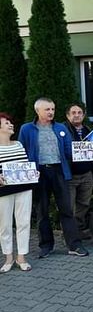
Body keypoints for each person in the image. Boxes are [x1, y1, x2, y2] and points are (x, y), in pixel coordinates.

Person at [18, 98, 88, 258]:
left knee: (66, 210)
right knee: (42, 210)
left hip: (59, 171)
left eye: (52, 109)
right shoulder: (27, 129)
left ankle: (74, 245)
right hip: (38, 173)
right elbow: (22, 151)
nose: (51, 112)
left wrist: (87, 151)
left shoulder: (60, 128)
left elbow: (69, 150)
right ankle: (46, 246)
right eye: (47, 109)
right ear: (38, 111)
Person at [0, 113, 34, 272]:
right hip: (3, 191)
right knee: (4, 225)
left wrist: (33, 174)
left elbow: (25, 165)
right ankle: (8, 257)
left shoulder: (19, 144)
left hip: (24, 188)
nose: (10, 124)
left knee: (23, 222)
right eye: (6, 123)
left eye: (10, 122)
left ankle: (21, 257)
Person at [65, 103, 93, 237]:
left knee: (84, 204)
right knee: (69, 206)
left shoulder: (89, 131)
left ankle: (78, 230)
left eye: (79, 113)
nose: (76, 115)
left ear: (83, 115)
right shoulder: (63, 130)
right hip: (70, 175)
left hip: (87, 174)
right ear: (68, 116)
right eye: (73, 113)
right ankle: (69, 234)